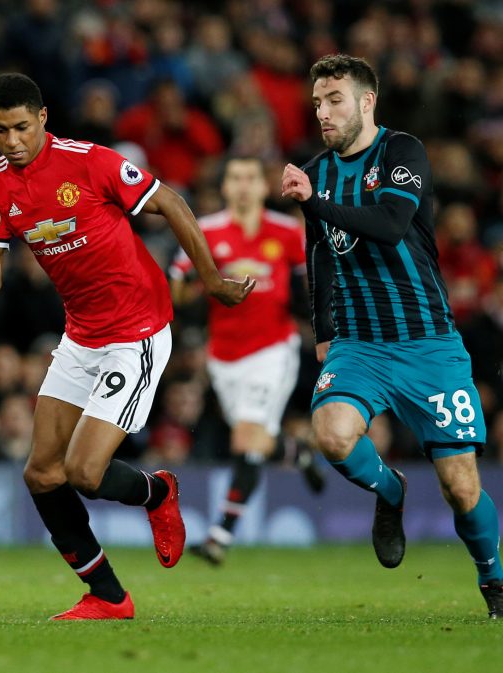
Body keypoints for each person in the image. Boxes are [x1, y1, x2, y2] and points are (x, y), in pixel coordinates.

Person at [0, 73, 254, 620]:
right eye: (1, 131)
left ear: (43, 118)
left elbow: (168, 201)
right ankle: (108, 596)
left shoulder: (89, 161)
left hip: (137, 333)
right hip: (81, 336)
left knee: (83, 471)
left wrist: (212, 280)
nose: (12, 141)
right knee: (41, 473)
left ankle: (157, 493)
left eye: (22, 127)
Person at [280, 54, 503, 619]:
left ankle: (495, 582)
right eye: (317, 101)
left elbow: (391, 227)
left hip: (428, 344)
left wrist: (311, 202)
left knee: (461, 488)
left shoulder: (402, 152)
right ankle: (389, 492)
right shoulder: (317, 171)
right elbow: (318, 253)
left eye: (334, 99)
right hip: (360, 345)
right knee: (332, 434)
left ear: (367, 102)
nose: (323, 111)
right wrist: (323, 333)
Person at [169, 155, 325, 566]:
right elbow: (179, 281)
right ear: (224, 187)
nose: (242, 185)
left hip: (274, 349)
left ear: (262, 186)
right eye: (234, 177)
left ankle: (220, 535)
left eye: (250, 178)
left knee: (245, 438)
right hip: (223, 355)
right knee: (254, 440)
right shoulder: (206, 230)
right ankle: (295, 453)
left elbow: (306, 288)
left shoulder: (288, 232)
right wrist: (182, 288)